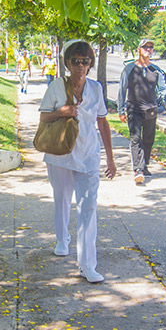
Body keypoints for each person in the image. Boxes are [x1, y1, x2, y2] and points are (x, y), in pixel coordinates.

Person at [39, 41, 117, 283]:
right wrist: (63, 111)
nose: (80, 65)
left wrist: (111, 159)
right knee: (62, 200)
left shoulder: (96, 88)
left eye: (85, 61)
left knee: (88, 209)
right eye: (76, 61)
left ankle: (87, 265)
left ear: (90, 63)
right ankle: (63, 240)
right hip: (60, 154)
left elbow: (103, 122)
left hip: (88, 155)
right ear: (68, 63)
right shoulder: (56, 86)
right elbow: (43, 116)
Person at [117, 37, 166, 185]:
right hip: (133, 108)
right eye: (145, 47)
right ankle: (138, 169)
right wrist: (120, 110)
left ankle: (145, 165)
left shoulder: (155, 70)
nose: (148, 50)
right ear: (139, 50)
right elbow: (122, 90)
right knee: (136, 139)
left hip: (151, 109)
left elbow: (163, 89)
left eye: (150, 47)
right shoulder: (129, 69)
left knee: (149, 140)